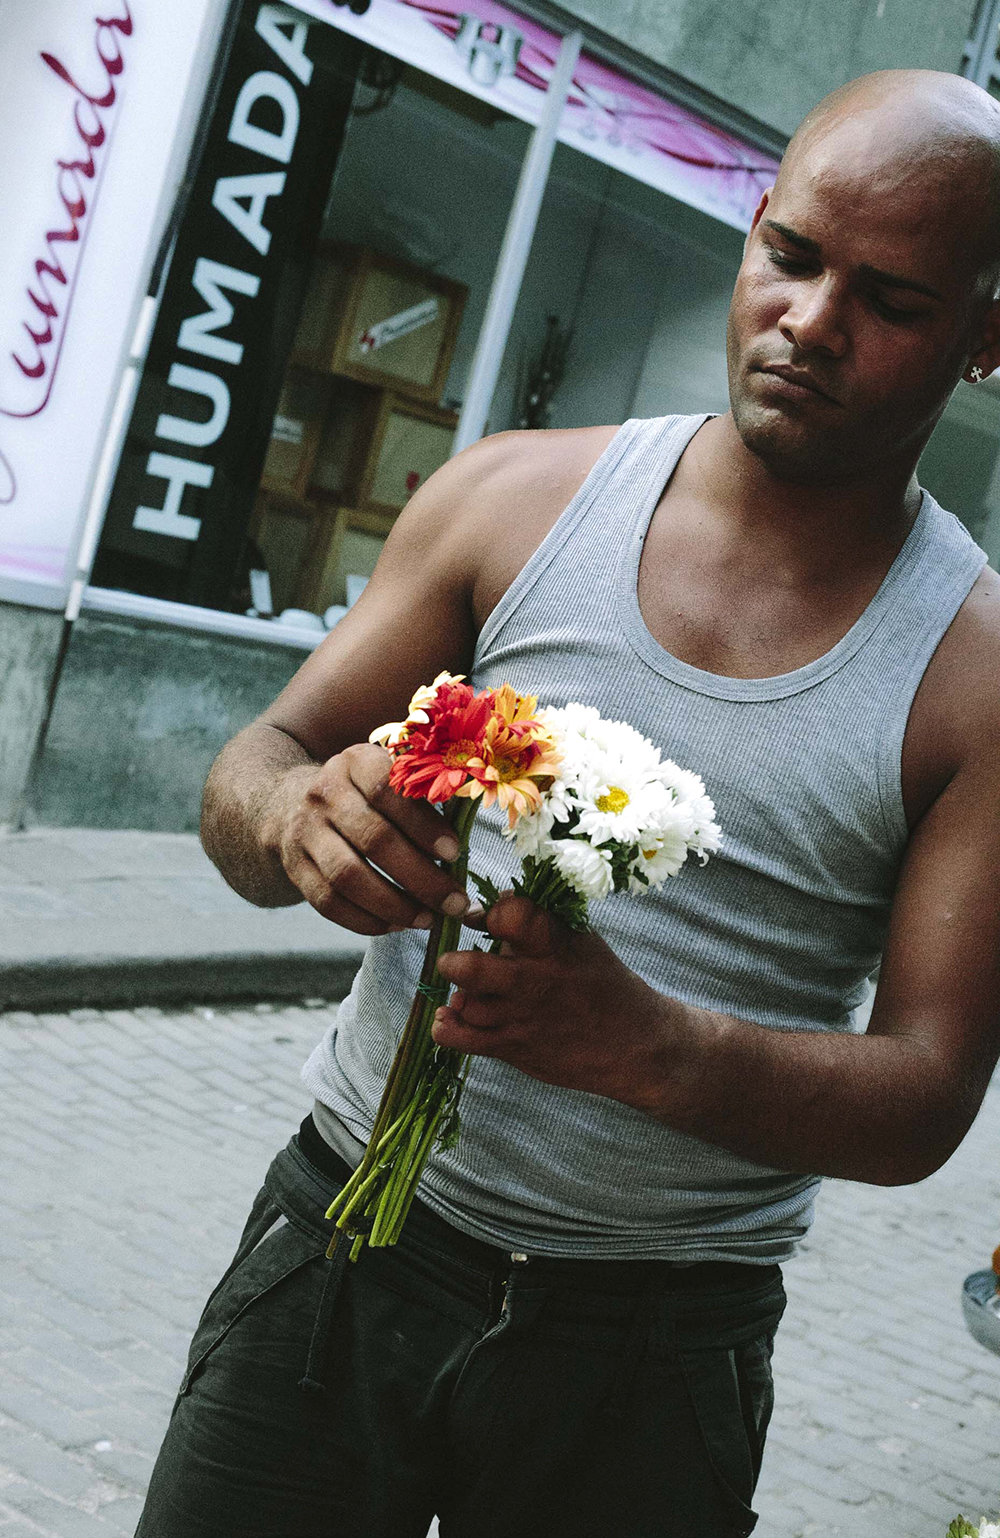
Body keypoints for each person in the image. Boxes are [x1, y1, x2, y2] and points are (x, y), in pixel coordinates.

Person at [135, 68, 1000, 1538]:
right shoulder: (515, 501)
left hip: (650, 1360)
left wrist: (650, 1044)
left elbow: (924, 1093)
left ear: (989, 336)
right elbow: (259, 756)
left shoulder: (972, 676)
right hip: (340, 1260)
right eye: (788, 256)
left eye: (893, 300)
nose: (810, 323)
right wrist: (296, 824)